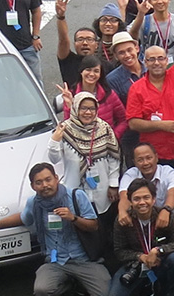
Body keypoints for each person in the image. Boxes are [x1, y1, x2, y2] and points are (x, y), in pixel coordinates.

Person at [0, 163, 111, 296]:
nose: (45, 185)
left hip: (83, 258)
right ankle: (68, 287)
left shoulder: (76, 196)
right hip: (56, 261)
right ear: (33, 186)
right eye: (39, 182)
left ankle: (82, 282)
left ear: (56, 178)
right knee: (42, 290)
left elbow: (93, 226)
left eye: (48, 179)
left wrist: (73, 218)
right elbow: (23, 218)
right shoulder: (34, 202)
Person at [48, 92, 122, 260]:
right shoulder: (65, 129)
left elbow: (114, 157)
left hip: (101, 189)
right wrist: (54, 140)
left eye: (91, 108)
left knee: (103, 224)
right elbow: (54, 159)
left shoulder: (104, 128)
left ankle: (107, 257)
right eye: (83, 108)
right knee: (82, 225)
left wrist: (113, 184)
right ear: (75, 108)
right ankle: (88, 259)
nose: (88, 112)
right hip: (76, 189)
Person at [106, 177, 174, 296]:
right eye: (136, 199)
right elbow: (120, 251)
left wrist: (158, 250)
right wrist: (141, 257)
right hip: (138, 264)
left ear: (153, 199)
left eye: (146, 197)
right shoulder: (123, 220)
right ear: (131, 202)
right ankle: (146, 282)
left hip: (163, 261)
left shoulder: (165, 216)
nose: (142, 202)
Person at [125, 44, 174, 192]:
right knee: (156, 195)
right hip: (155, 155)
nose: (156, 63)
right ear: (145, 62)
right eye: (151, 59)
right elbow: (133, 123)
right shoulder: (137, 88)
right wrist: (162, 125)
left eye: (160, 58)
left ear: (166, 60)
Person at [119, 143, 174, 225]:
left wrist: (166, 210)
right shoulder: (130, 175)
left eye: (149, 158)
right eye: (140, 160)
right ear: (134, 162)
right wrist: (122, 212)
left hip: (169, 221)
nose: (145, 163)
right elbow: (124, 195)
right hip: (141, 225)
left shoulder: (170, 173)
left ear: (156, 158)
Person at [52, 0, 104, 92]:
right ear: (74, 44)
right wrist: (60, 17)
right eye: (80, 39)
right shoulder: (68, 60)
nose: (85, 43)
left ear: (97, 44)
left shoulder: (104, 64)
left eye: (89, 39)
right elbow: (63, 40)